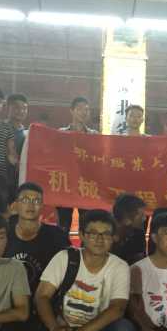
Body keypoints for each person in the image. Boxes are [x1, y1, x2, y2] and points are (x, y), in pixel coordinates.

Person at [35, 210, 135, 331]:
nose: (99, 239)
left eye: (106, 234)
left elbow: (117, 309)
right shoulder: (65, 258)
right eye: (93, 233)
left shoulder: (119, 267)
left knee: (125, 329)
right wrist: (55, 328)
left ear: (114, 237)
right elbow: (41, 296)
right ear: (81, 235)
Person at [4, 182, 69, 299]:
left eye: (36, 201)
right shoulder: (3, 234)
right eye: (25, 200)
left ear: (42, 205)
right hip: (8, 301)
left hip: (45, 301)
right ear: (16, 205)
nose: (31, 205)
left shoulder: (57, 236)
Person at [57, 96, 97, 232]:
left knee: (86, 222)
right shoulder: (61, 133)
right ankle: (62, 244)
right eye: (80, 109)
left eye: (86, 109)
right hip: (65, 184)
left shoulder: (94, 135)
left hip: (86, 184)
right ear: (72, 111)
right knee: (63, 223)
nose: (84, 112)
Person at [111, 193, 147, 265]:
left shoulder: (138, 236)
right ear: (126, 219)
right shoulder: (105, 238)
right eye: (141, 215)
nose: (144, 218)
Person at [7, 94, 30, 160]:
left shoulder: (27, 134)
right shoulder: (0, 130)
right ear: (7, 108)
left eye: (24, 108)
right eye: (17, 107)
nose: (21, 111)